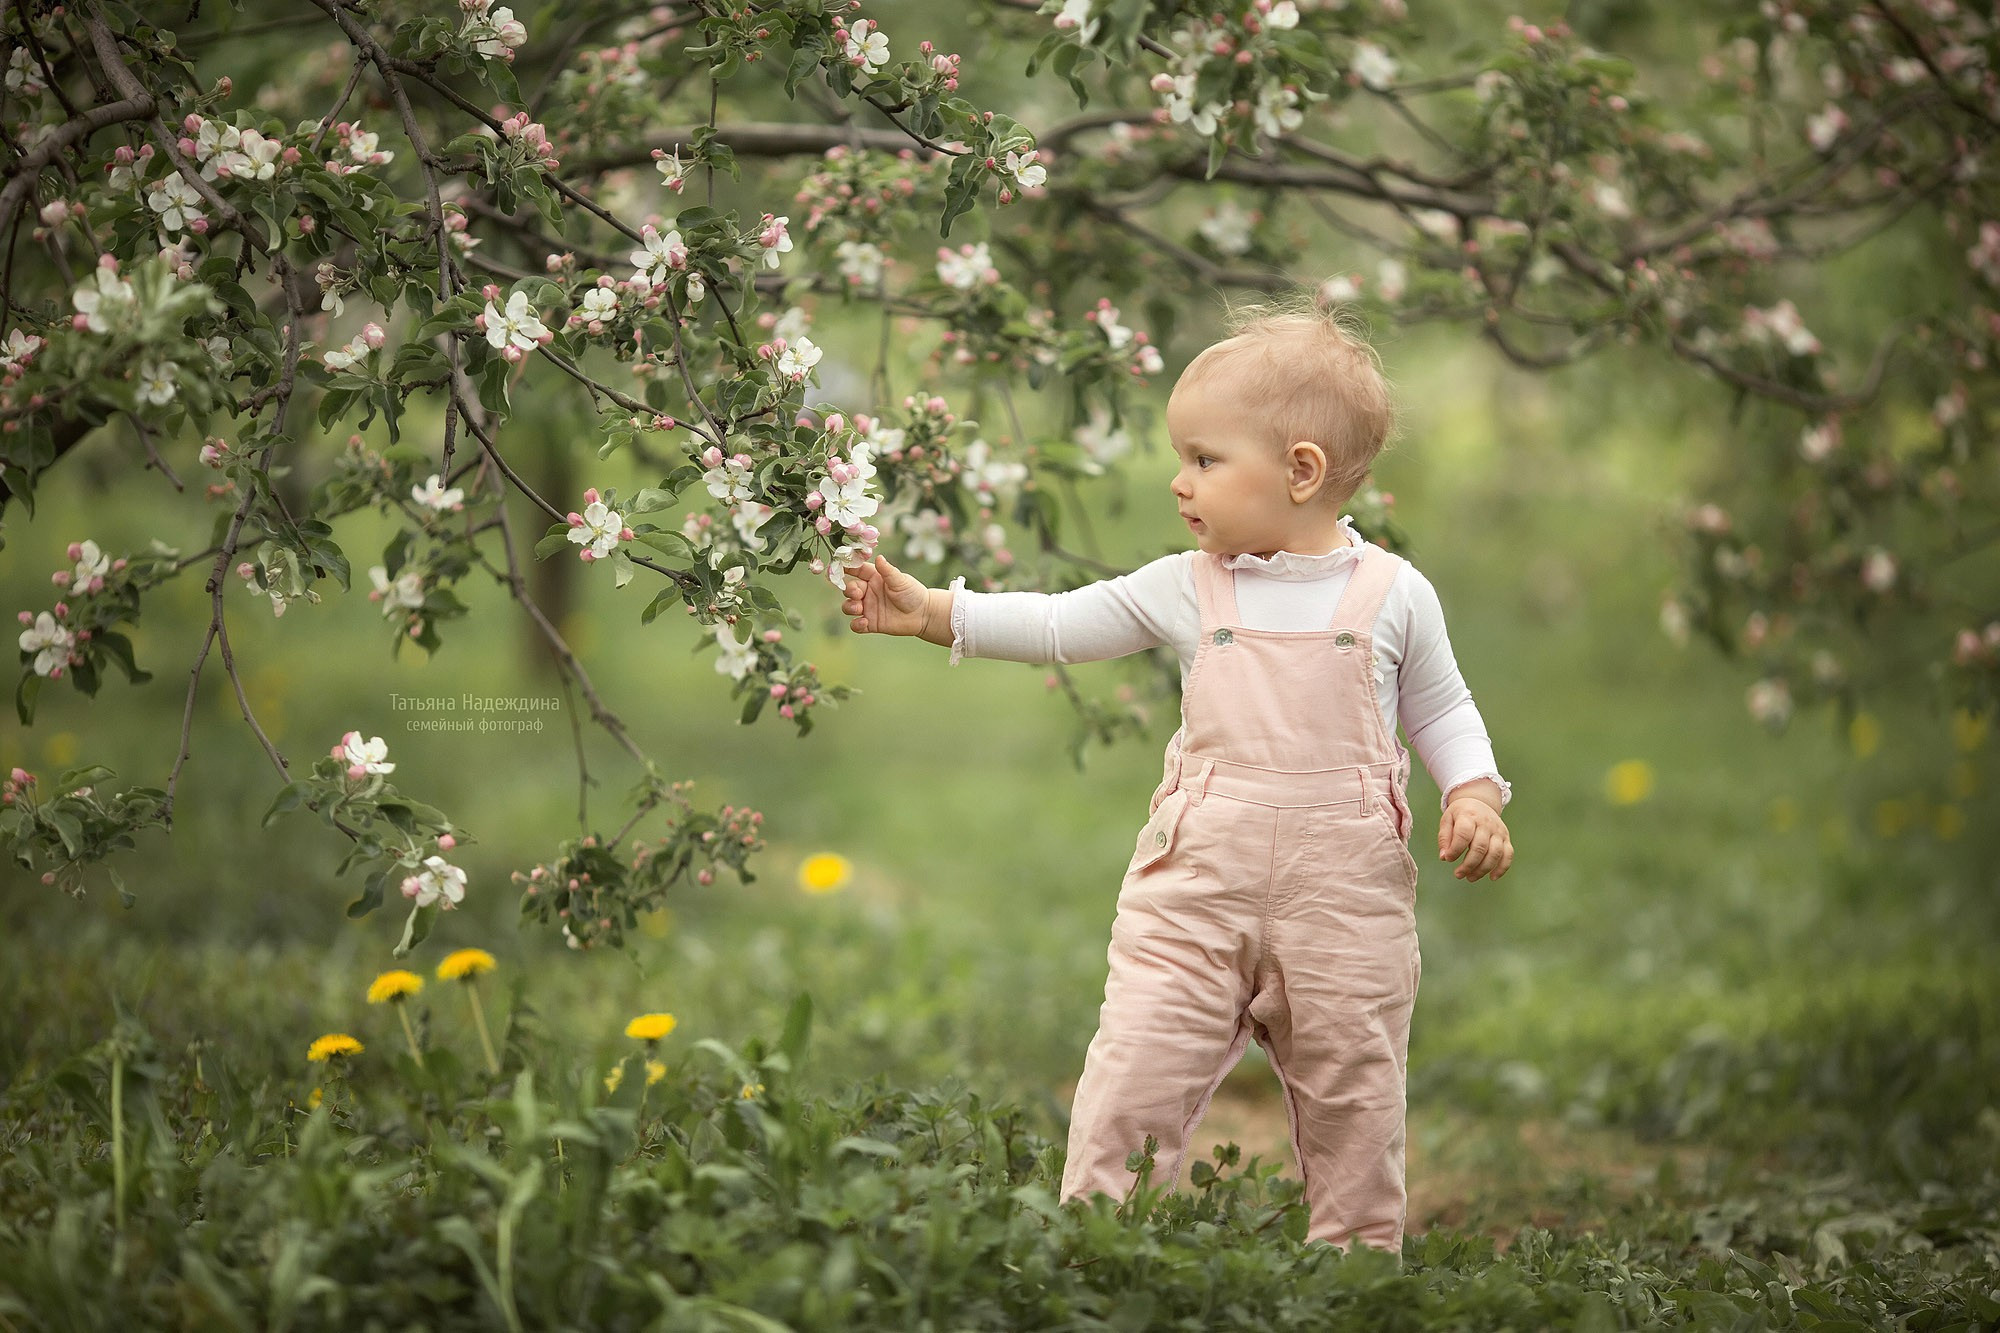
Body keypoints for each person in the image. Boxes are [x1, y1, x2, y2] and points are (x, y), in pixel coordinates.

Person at [834, 291, 1514, 1258]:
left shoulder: (1394, 596)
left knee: (1355, 1088)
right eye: (1180, 457)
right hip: (1196, 889)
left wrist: (1476, 791)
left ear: (1301, 470)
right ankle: (1095, 1237)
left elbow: (1441, 709)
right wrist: (937, 610)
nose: (1178, 482)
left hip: (1345, 906)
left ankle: (1358, 1263)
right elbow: (1064, 621)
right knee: (1137, 1062)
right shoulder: (1189, 586)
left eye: (1204, 458)